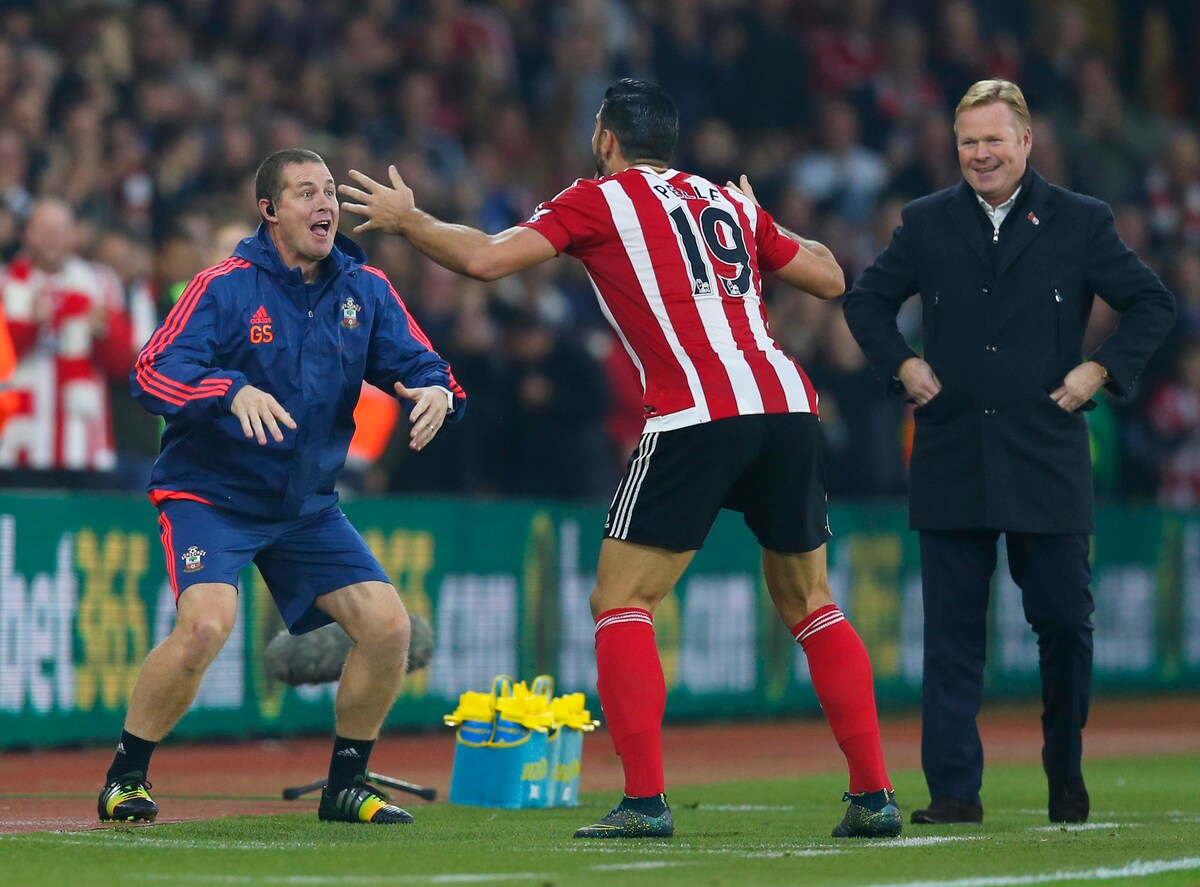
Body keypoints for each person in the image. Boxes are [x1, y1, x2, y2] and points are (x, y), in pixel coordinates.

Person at [339, 78, 902, 840]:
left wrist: (409, 221)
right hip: (788, 406)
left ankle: (644, 800)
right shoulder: (725, 201)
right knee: (812, 602)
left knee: (621, 600)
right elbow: (831, 275)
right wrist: (760, 214)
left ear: (606, 139)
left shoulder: (600, 199)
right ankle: (873, 794)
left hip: (698, 410)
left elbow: (485, 259)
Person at [97, 148, 466, 826]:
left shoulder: (365, 289)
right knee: (205, 627)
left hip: (306, 506)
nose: (325, 203)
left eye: (328, 191)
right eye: (305, 192)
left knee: (388, 629)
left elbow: (425, 365)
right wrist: (226, 389)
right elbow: (150, 372)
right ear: (269, 210)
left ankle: (346, 786)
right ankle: (125, 777)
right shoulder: (223, 287)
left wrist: (439, 392)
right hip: (211, 494)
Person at [843, 79, 1175, 826]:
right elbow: (866, 301)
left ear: (1026, 141)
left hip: (1047, 455)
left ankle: (1065, 770)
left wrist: (1100, 370)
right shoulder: (925, 221)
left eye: (994, 139)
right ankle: (954, 792)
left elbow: (1153, 302)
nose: (981, 153)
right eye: (968, 141)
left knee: (1065, 623)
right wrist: (902, 364)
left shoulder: (1082, 220)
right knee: (951, 638)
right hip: (951, 453)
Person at [0, 198, 133, 484]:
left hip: (82, 444)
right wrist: (31, 325)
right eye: (44, 229)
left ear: (74, 235)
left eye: (61, 230)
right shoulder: (6, 282)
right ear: (27, 234)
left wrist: (102, 330)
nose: (53, 238)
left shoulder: (101, 282)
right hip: (16, 445)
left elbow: (122, 364)